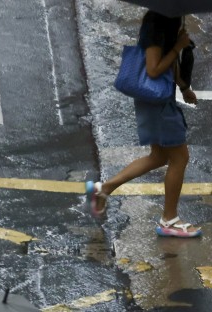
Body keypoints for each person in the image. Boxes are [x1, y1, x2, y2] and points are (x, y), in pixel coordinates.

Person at [85, 12, 201, 238]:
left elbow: (170, 64)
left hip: (159, 98)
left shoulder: (171, 19)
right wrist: (178, 46)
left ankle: (104, 189)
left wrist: (185, 88)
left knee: (159, 156)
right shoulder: (156, 23)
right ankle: (169, 220)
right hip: (157, 101)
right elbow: (153, 69)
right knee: (180, 157)